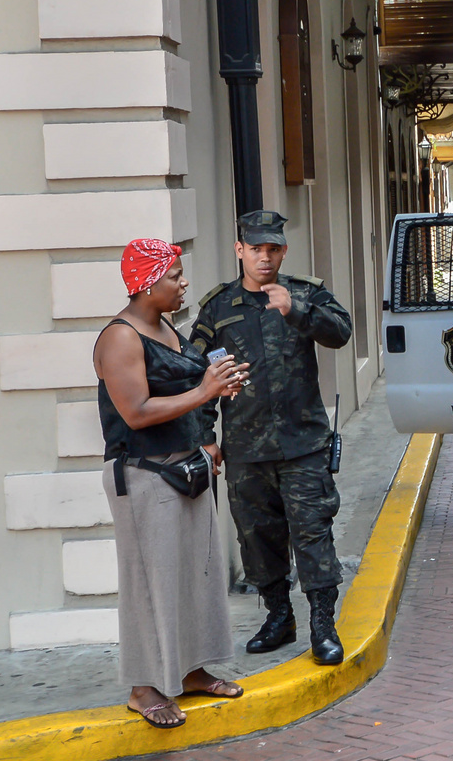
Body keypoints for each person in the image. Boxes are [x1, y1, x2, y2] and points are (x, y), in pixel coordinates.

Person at [93, 238, 249, 729]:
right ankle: (143, 687)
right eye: (174, 276)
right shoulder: (120, 337)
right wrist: (204, 389)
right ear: (144, 283)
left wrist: (208, 425)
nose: (184, 284)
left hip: (186, 469)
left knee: (192, 575)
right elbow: (135, 413)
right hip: (144, 475)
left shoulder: (165, 328)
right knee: (148, 582)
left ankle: (192, 669)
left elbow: (187, 393)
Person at [191, 211, 354, 664]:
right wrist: (205, 434)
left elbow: (341, 333)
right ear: (240, 250)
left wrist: (296, 310)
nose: (265, 257)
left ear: (283, 250)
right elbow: (197, 373)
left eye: (273, 249)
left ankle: (323, 625)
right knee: (258, 540)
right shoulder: (217, 308)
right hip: (245, 448)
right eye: (256, 249)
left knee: (312, 536)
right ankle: (280, 618)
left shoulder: (305, 293)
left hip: (303, 445)